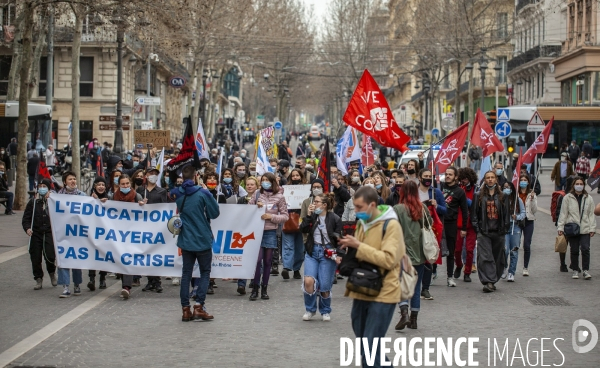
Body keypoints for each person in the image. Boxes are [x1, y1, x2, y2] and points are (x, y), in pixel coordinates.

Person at [338, 186, 404, 367]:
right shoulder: (362, 223)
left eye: (359, 207)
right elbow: (360, 254)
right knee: (364, 344)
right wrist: (346, 256)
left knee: (370, 346)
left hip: (384, 291)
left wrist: (358, 245)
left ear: (372, 205)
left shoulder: (391, 225)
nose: (356, 211)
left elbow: (389, 260)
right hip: (362, 288)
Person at [177, 165, 220, 322]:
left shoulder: (178, 194)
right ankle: (199, 306)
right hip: (202, 239)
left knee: (186, 273)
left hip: (186, 240)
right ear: (196, 176)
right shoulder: (202, 193)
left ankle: (185, 309)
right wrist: (207, 193)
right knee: (205, 272)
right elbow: (214, 213)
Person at [393, 181, 431, 331]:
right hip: (419, 253)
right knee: (416, 285)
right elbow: (429, 225)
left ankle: (404, 313)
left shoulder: (397, 209)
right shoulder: (422, 208)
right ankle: (414, 319)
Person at [299, 192, 342, 321]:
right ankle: (310, 309)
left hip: (328, 253)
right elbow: (303, 229)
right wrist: (308, 215)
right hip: (312, 251)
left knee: (324, 286)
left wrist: (339, 254)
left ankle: (325, 310)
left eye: (317, 202)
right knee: (308, 281)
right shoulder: (312, 217)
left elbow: (340, 239)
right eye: (314, 201)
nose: (314, 204)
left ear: (324, 205)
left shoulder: (335, 218)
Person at [247, 173, 289, 300]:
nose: (265, 182)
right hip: (256, 231)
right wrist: (256, 207)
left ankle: (264, 288)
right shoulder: (257, 194)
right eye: (263, 180)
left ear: (272, 182)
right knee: (257, 260)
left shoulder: (280, 197)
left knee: (267, 261)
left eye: (267, 180)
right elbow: (247, 211)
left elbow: (285, 216)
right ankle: (255, 288)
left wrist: (271, 217)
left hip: (270, 231)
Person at [471, 171, 510, 293]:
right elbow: (474, 215)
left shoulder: (503, 196)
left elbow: (506, 215)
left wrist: (505, 229)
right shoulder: (478, 195)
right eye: (488, 178)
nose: (490, 180)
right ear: (485, 180)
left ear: (496, 180)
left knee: (498, 257)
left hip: (498, 232)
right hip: (484, 232)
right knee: (485, 257)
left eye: (492, 177)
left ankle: (493, 279)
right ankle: (488, 281)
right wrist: (478, 229)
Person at [108, 174, 145, 299]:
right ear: (119, 185)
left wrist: (142, 206)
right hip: (117, 234)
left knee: (127, 259)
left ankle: (126, 287)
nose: (125, 186)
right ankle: (125, 282)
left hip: (132, 233)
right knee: (120, 259)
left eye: (127, 184)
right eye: (123, 184)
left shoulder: (136, 196)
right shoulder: (113, 197)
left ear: (130, 184)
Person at [557, 177, 596, 280]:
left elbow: (591, 214)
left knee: (585, 248)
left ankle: (585, 270)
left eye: (581, 183)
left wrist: (592, 228)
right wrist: (560, 227)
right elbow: (563, 213)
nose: (579, 185)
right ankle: (575, 269)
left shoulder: (589, 198)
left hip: (585, 228)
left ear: (583, 185)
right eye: (577, 183)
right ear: (573, 185)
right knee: (574, 250)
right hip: (572, 227)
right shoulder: (567, 198)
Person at [22, 178, 57, 290]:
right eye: (40, 186)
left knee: (50, 256)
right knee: (35, 257)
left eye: (44, 186)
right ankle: (38, 278)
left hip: (49, 232)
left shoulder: (53, 200)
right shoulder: (33, 202)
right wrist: (27, 228)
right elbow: (26, 218)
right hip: (36, 233)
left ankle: (52, 273)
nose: (42, 188)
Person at [56, 171, 87, 297]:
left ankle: (77, 284)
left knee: (75, 259)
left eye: (74, 179)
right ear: (64, 182)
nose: (73, 181)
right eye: (70, 179)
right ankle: (65, 286)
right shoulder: (57, 197)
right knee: (63, 259)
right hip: (63, 233)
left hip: (77, 234)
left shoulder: (82, 196)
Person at [138, 167, 168, 293]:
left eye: (155, 174)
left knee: (156, 254)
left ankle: (157, 281)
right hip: (144, 227)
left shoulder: (161, 191)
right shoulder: (140, 190)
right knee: (147, 254)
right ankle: (150, 281)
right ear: (146, 176)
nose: (153, 176)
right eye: (151, 173)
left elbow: (165, 208)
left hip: (157, 228)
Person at [417, 168, 446, 299]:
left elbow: (445, 210)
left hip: (430, 229)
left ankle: (425, 288)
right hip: (415, 228)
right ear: (419, 178)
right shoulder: (414, 191)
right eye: (425, 176)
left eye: (430, 176)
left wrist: (436, 206)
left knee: (428, 258)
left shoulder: (436, 192)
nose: (428, 178)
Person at [440, 166, 468, 287]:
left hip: (451, 223)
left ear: (456, 177)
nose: (447, 176)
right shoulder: (439, 187)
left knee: (451, 251)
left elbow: (465, 210)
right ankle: (432, 273)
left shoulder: (460, 192)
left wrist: (464, 228)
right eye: (446, 174)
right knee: (434, 248)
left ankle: (450, 277)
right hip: (439, 222)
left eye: (450, 174)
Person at [281, 169, 306, 281]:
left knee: (300, 248)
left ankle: (296, 269)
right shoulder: (285, 190)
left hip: (302, 221)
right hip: (289, 220)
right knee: (288, 246)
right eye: (293, 176)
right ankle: (286, 268)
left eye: (297, 175)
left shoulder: (306, 190)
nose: (295, 177)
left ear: (301, 177)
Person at [86, 177, 109, 291]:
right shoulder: (88, 199)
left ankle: (102, 278)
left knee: (103, 256)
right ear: (94, 186)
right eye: (98, 184)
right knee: (92, 256)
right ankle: (91, 279)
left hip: (105, 233)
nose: (101, 187)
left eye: (103, 185)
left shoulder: (109, 199)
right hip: (92, 232)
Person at [455, 167, 477, 282]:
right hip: (459, 224)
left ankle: (467, 272)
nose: (463, 181)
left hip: (471, 224)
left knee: (469, 250)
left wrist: (468, 202)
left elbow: (477, 204)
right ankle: (458, 265)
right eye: (462, 179)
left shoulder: (476, 189)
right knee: (457, 250)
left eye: (465, 179)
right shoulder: (458, 188)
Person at [501, 182, 525, 282]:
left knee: (514, 251)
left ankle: (511, 272)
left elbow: (523, 213)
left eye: (508, 187)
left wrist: (517, 217)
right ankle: (504, 267)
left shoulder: (517, 200)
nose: (507, 189)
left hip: (515, 227)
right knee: (505, 250)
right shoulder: (500, 199)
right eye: (505, 187)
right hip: (504, 228)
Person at [518, 174, 537, 277]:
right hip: (518, 221)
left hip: (529, 221)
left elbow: (534, 210)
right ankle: (512, 266)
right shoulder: (515, 193)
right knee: (515, 245)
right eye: (521, 180)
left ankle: (525, 267)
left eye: (525, 180)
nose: (523, 182)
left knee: (526, 245)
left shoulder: (531, 194)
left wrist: (533, 199)